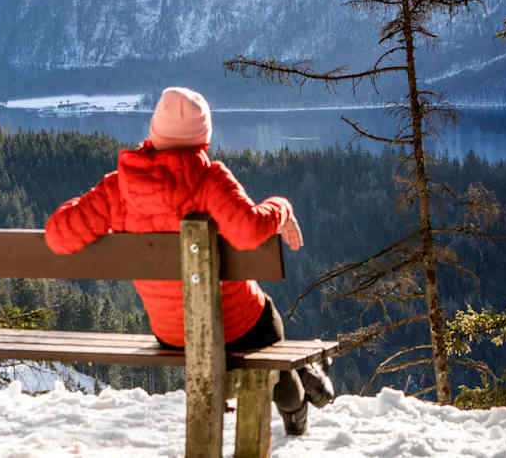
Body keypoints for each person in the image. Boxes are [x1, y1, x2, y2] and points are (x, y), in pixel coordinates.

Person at [43, 86, 333, 434]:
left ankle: (298, 374)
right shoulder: (209, 180)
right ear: (203, 137)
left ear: (154, 131)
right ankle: (295, 401)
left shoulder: (118, 187)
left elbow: (58, 234)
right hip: (237, 327)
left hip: (172, 333)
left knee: (260, 333)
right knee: (268, 328)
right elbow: (250, 231)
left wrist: (88, 203)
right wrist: (283, 207)